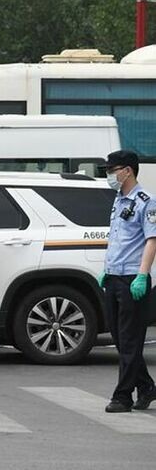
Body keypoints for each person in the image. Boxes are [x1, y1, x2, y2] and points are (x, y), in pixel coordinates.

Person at [98, 149, 156, 413]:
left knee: (130, 341)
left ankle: (123, 397)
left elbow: (151, 240)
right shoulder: (118, 200)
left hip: (133, 279)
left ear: (127, 170)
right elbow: (117, 239)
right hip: (114, 277)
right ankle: (146, 388)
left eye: (113, 170)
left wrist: (142, 275)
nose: (110, 175)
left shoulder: (146, 201)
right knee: (121, 341)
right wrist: (106, 269)